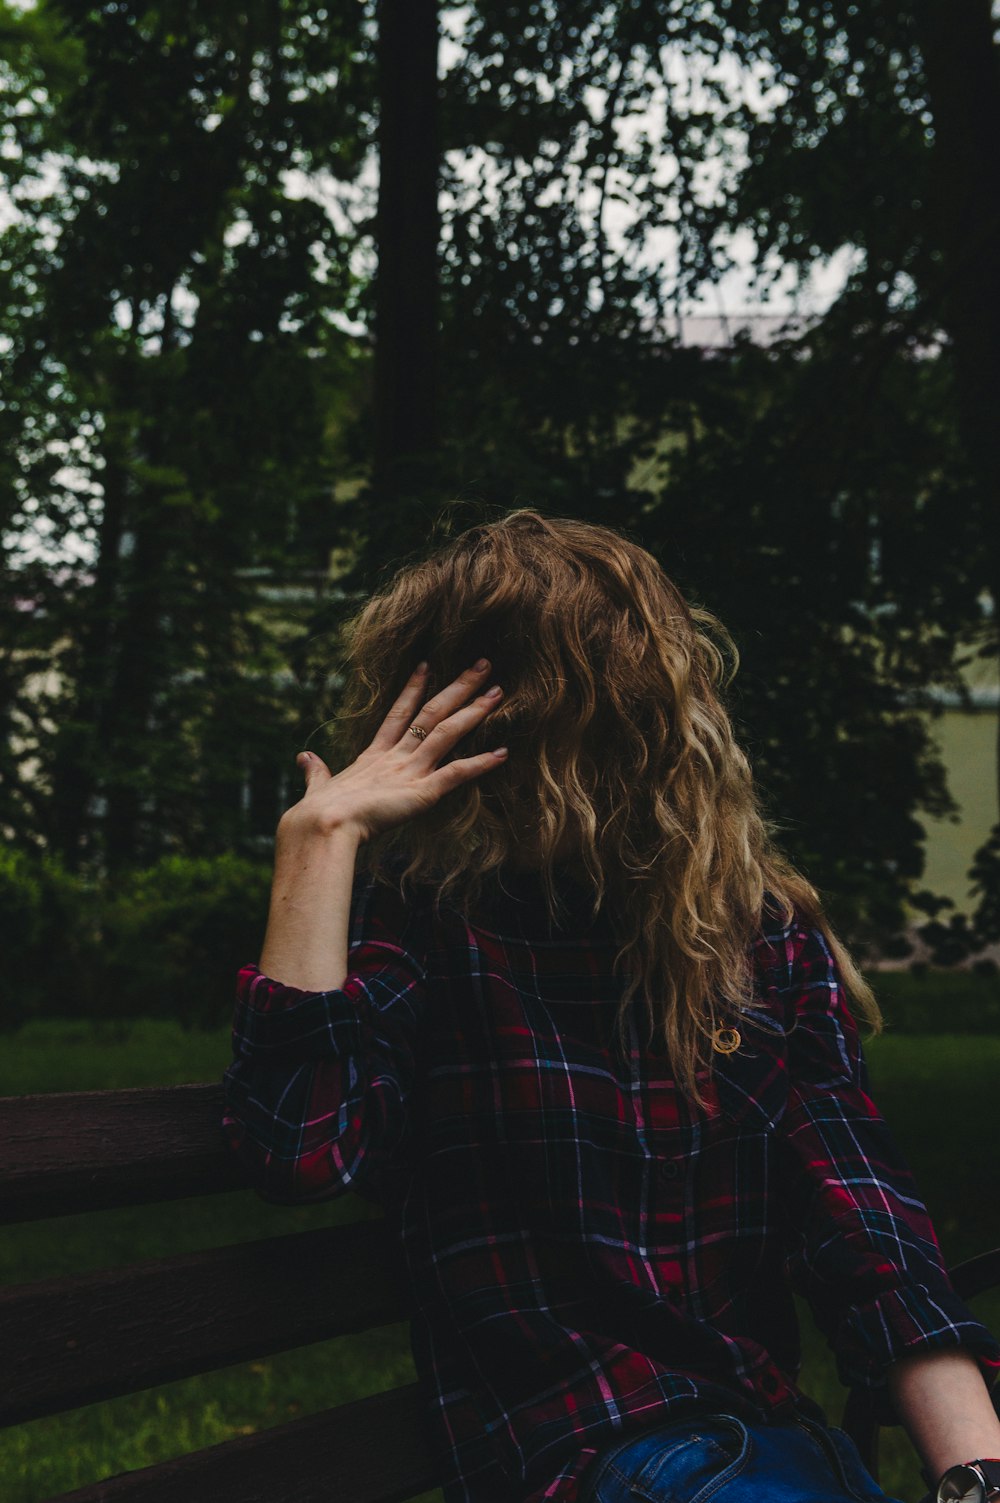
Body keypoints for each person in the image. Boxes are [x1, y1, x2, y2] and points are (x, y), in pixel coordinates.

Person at [222, 510, 1000, 1503]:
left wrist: (975, 1473)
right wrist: (322, 839)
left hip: (768, 1448)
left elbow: (860, 1218)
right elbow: (299, 1152)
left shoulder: (756, 933)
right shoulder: (430, 924)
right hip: (597, 1459)